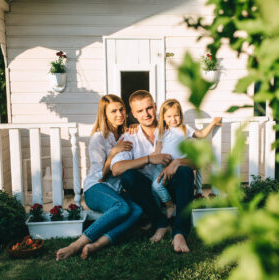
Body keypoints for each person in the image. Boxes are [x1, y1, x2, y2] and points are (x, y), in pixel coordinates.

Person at [56, 94, 142, 261]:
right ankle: (76, 245)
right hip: (95, 187)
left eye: (122, 109)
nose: (120, 114)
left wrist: (135, 127)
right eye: (113, 111)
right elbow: (101, 175)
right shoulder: (99, 137)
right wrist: (113, 153)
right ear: (104, 114)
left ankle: (96, 245)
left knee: (137, 210)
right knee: (122, 207)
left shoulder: (124, 134)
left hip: (114, 189)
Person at [111, 90, 194, 253]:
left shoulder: (173, 128)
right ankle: (160, 223)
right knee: (128, 176)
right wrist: (149, 158)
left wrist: (177, 162)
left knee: (185, 171)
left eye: (149, 108)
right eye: (140, 111)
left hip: (170, 185)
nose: (146, 114)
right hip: (147, 193)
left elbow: (198, 161)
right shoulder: (130, 136)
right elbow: (116, 169)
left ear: (155, 107)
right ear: (133, 114)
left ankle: (179, 232)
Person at [150, 99, 222, 218]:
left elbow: (201, 135)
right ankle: (169, 205)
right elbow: (157, 150)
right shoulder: (161, 131)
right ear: (163, 117)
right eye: (169, 116)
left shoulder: (185, 129)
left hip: (179, 167)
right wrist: (150, 159)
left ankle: (177, 210)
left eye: (176, 115)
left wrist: (212, 123)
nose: (173, 119)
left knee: (174, 184)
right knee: (155, 186)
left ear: (180, 115)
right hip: (162, 164)